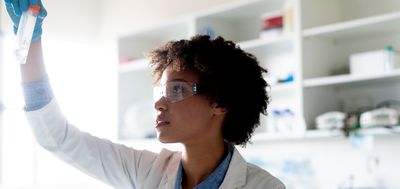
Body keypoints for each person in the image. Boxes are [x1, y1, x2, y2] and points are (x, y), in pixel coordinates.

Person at [4, 0, 286, 189]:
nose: (159, 103)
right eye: (161, 90)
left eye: (177, 90)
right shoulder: (148, 170)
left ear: (220, 102)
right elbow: (57, 137)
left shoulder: (265, 187)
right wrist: (30, 38)